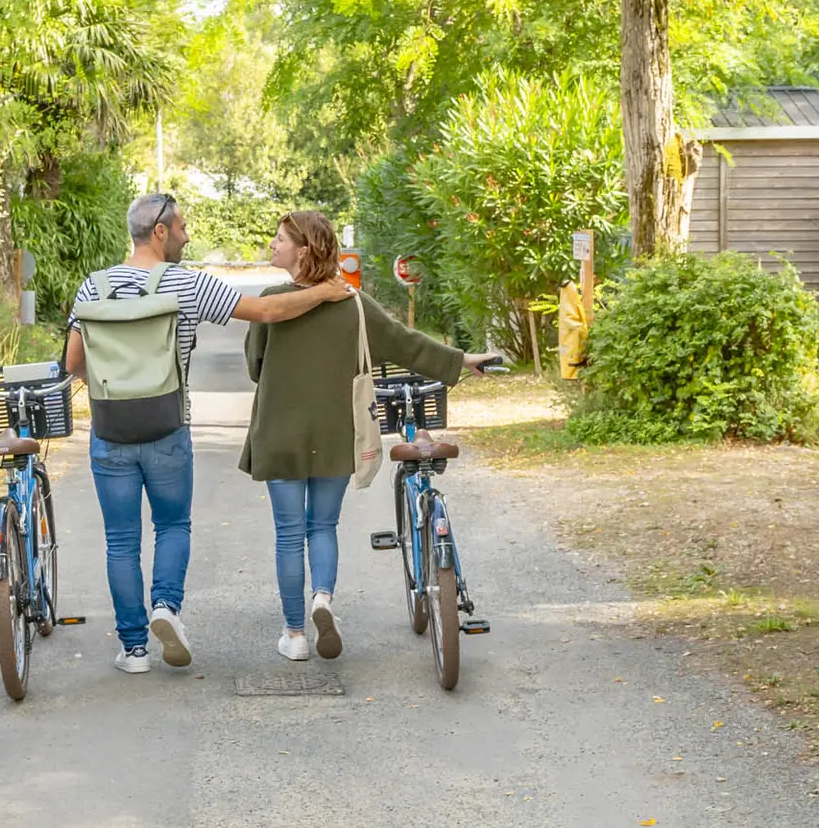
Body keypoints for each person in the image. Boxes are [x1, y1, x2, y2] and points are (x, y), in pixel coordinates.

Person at [65, 193, 351, 675]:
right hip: (166, 427)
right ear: (159, 231)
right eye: (181, 228)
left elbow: (73, 364)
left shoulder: (93, 288)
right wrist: (325, 292)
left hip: (110, 430)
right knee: (172, 526)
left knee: (120, 540)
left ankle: (134, 650)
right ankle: (166, 608)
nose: (187, 235)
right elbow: (266, 313)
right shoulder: (185, 283)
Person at [240, 211, 496, 661]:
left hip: (279, 430)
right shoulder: (353, 304)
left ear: (302, 250)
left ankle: (295, 635)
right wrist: (460, 361)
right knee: (322, 526)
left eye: (279, 239)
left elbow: (255, 367)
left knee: (288, 533)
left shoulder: (271, 302)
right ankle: (323, 599)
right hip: (337, 431)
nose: (273, 244)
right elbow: (404, 342)